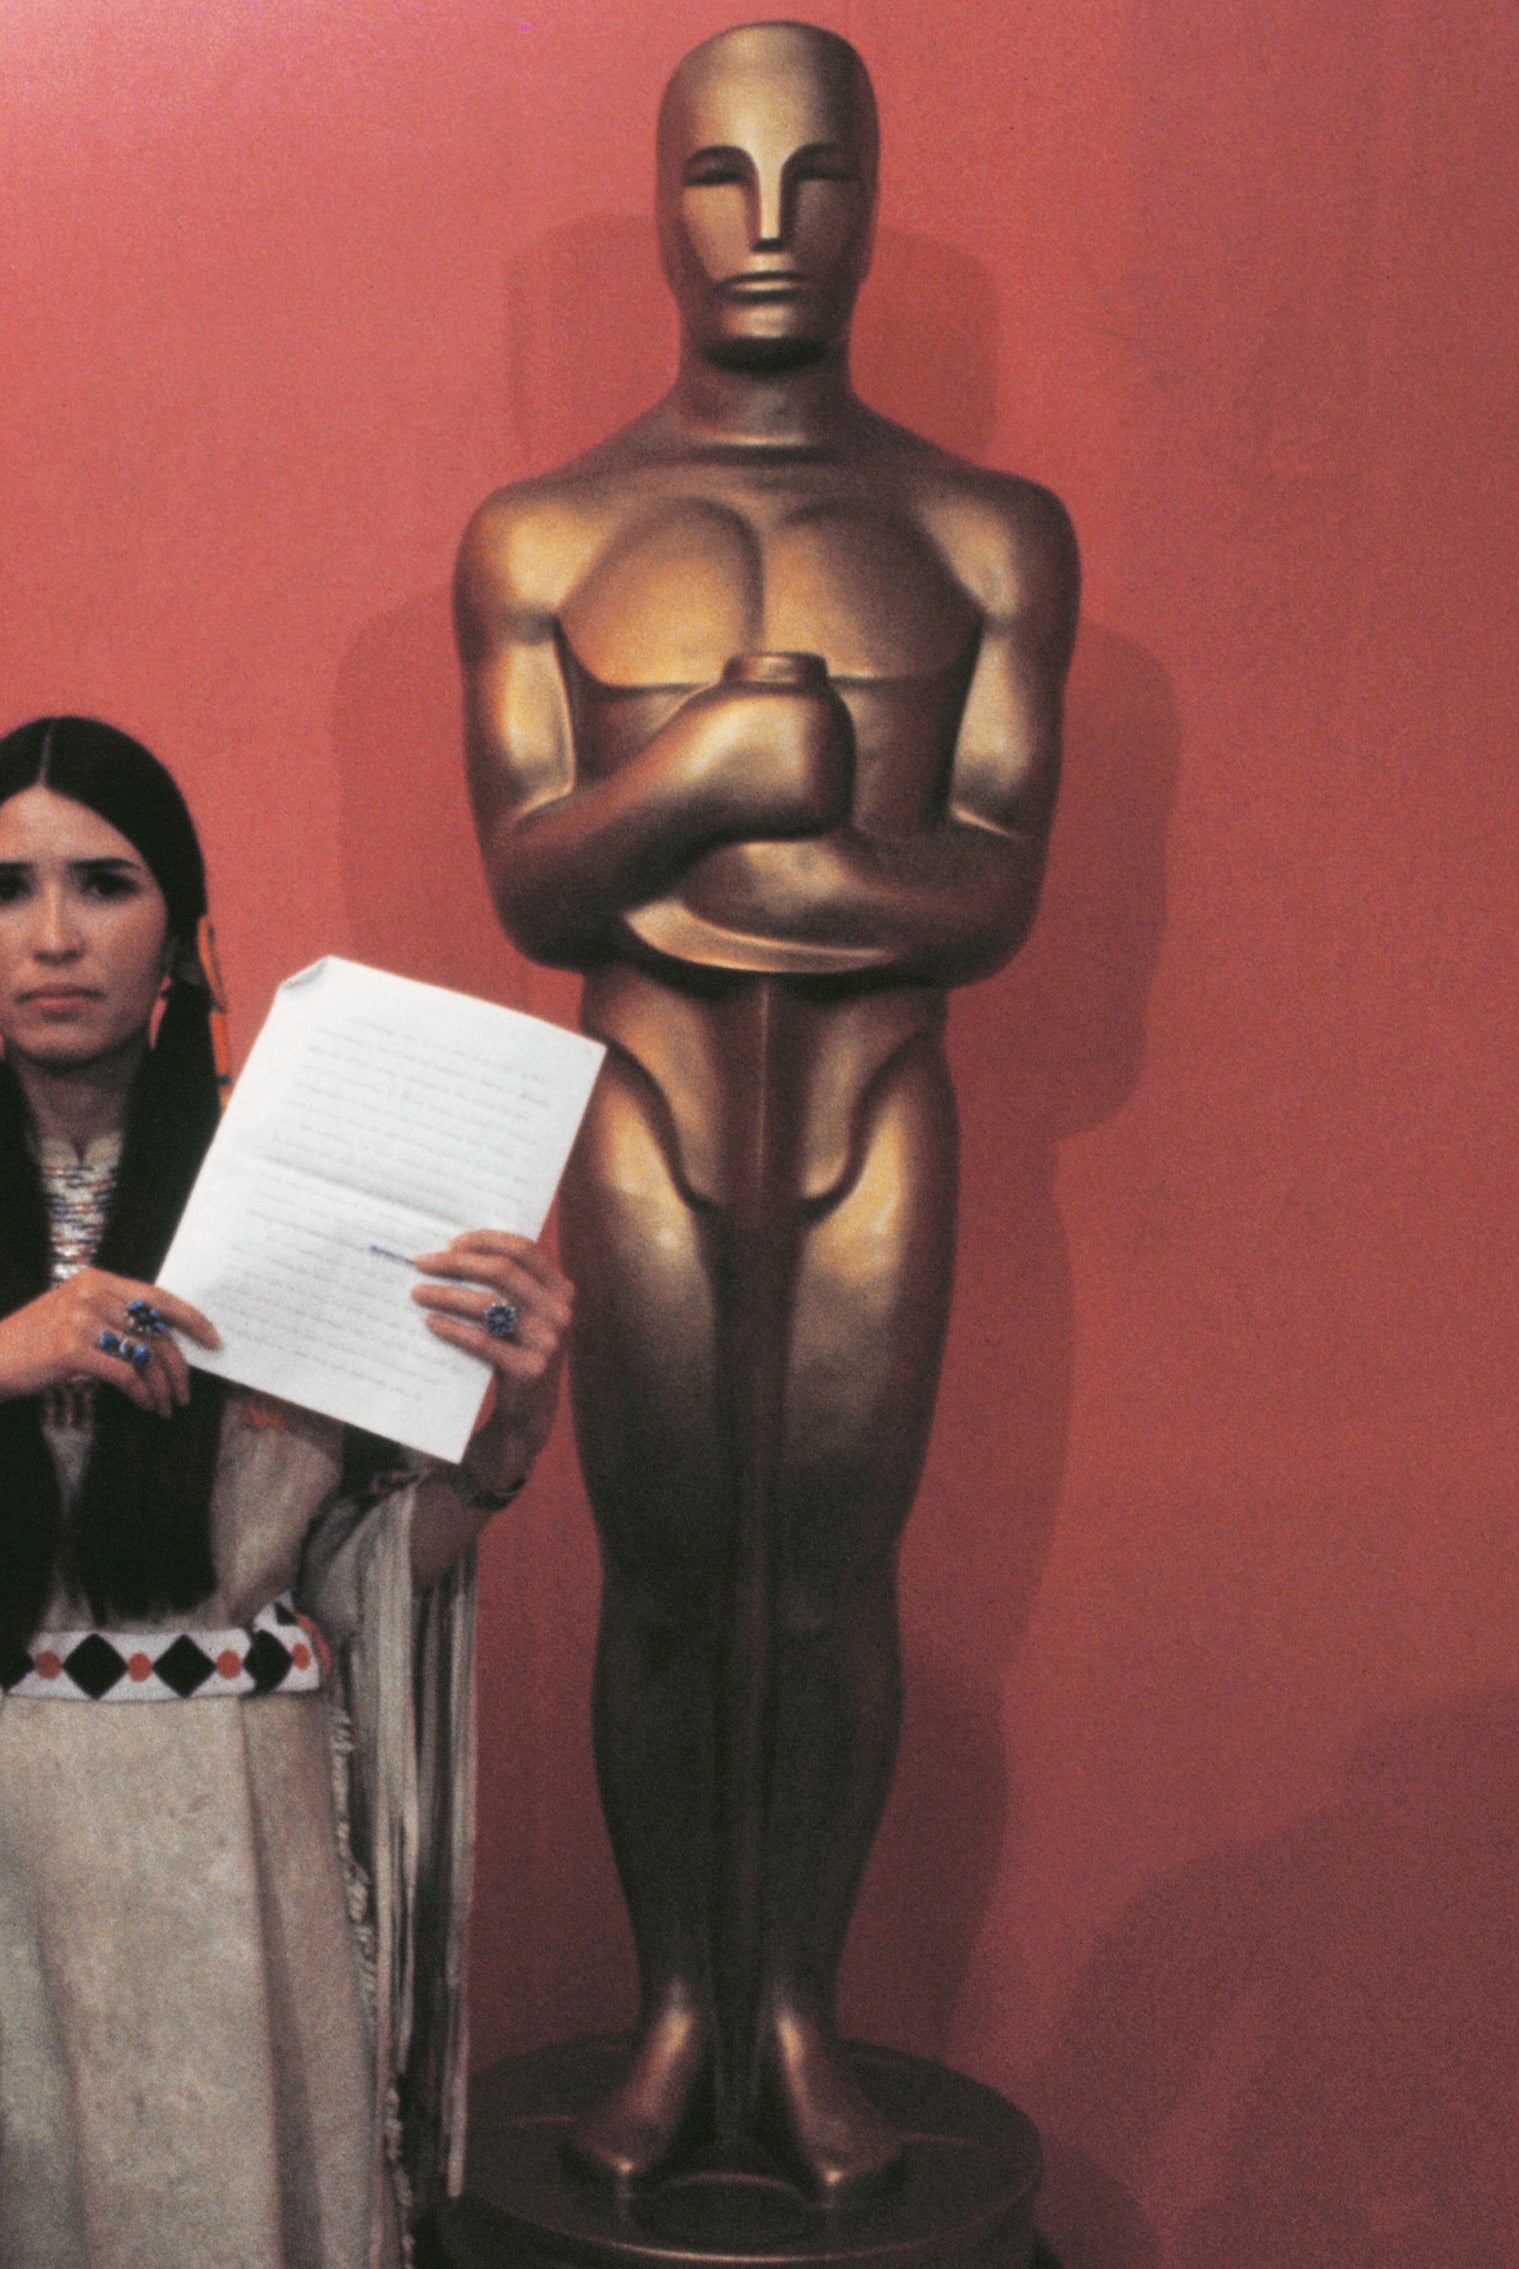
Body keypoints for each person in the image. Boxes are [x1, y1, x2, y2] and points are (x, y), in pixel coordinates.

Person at [453, 22, 1076, 2201]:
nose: (771, 225)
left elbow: (990, 890)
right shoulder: (543, 536)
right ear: (661, 206)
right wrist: (715, 773)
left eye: (818, 177)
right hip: (644, 1091)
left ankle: (793, 2010)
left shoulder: (983, 535)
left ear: (873, 198)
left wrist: (745, 872)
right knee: (654, 1570)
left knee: (826, 1575)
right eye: (720, 177)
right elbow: (535, 883)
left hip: (875, 1101)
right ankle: (673, 2011)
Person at [0, 715, 572, 2269]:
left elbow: (352, 1577)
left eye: (104, 883)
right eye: (2, 887)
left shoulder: (308, 1194)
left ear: (182, 931)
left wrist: (503, 1445)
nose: (53, 934)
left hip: (237, 1843)